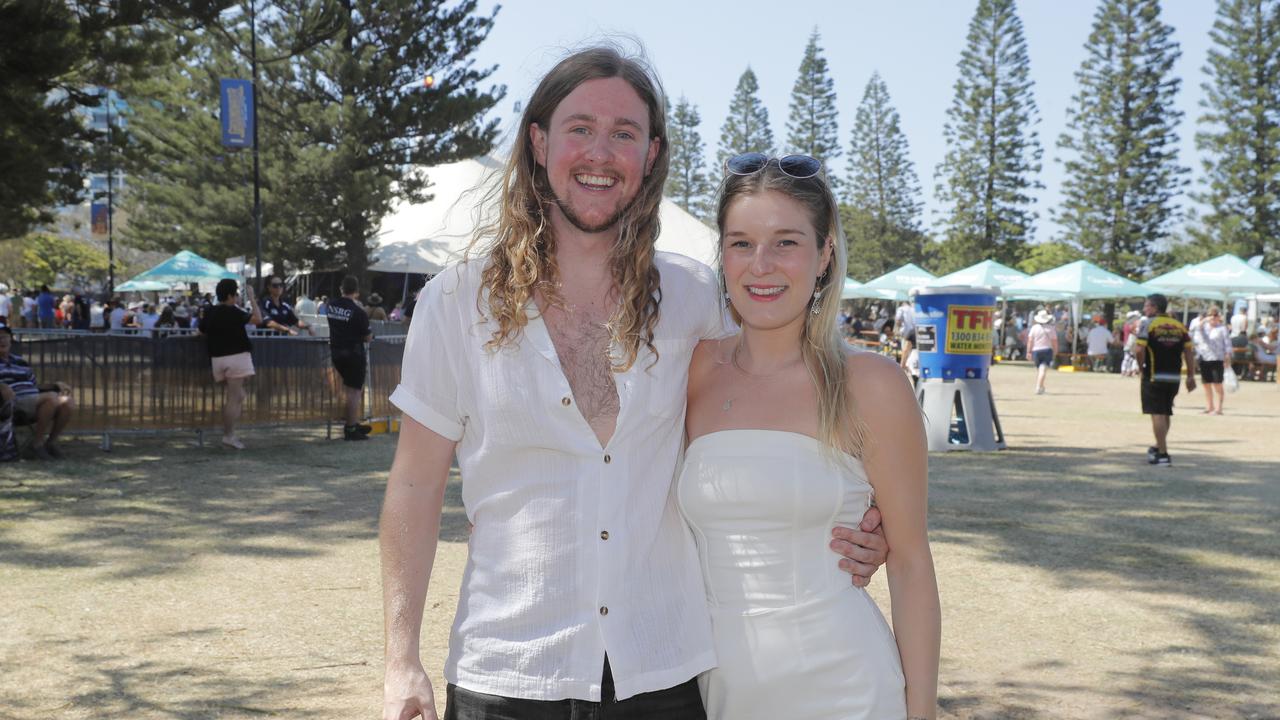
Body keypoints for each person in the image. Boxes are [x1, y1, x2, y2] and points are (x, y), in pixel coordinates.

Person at [379, 46, 887, 720]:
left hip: (663, 675)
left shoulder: (696, 298)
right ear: (538, 143)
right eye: (580, 128)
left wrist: (856, 518)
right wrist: (400, 659)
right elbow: (414, 484)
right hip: (507, 671)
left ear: (651, 156)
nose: (601, 152)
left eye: (624, 134)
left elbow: (777, 402)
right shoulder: (454, 302)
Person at [681, 153, 939, 719]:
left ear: (825, 254)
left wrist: (922, 713)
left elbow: (912, 563)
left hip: (845, 687)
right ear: (721, 256)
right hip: (715, 690)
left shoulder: (871, 385)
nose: (762, 265)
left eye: (787, 242)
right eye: (741, 243)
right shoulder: (690, 371)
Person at [197, 278, 262, 450]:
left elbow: (200, 331)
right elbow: (258, 319)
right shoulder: (234, 311)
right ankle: (229, 435)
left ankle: (229, 434)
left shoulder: (210, 311)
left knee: (239, 396)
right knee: (233, 399)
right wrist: (253, 298)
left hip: (217, 359)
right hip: (237, 357)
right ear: (231, 295)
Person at [1135, 293, 1196, 466]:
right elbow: (1189, 352)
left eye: (1147, 306)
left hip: (1154, 374)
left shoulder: (1148, 324)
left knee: (1157, 413)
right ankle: (1158, 446)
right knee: (1166, 411)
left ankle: (1162, 454)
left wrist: (1141, 367)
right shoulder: (1179, 326)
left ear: (1154, 307)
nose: (1144, 309)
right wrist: (1191, 375)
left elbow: (1139, 349)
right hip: (1174, 376)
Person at [0, 326, 76, 460]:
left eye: (5, 336)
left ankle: (50, 443)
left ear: (11, 340)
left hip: (34, 399)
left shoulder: (21, 362)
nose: (2, 340)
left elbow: (34, 386)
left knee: (67, 401)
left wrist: (55, 385)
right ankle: (36, 444)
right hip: (12, 403)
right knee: (51, 398)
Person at [325, 275, 373, 441]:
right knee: (354, 392)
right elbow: (368, 337)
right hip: (354, 354)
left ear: (341, 289)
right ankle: (351, 428)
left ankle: (353, 422)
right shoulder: (359, 312)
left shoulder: (330, 305)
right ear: (357, 292)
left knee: (350, 390)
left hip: (336, 353)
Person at [1193, 306, 1230, 414]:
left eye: (1215, 315)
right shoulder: (1204, 327)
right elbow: (1196, 329)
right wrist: (1204, 320)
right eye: (1211, 315)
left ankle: (1219, 408)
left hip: (1217, 358)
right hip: (1204, 357)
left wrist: (1227, 356)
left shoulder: (1222, 328)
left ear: (1219, 317)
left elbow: (1227, 343)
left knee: (1217, 383)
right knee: (1206, 383)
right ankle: (1210, 406)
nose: (1213, 318)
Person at [1027, 309, 1058, 394]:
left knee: (1040, 369)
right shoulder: (1051, 329)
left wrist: (1028, 351)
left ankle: (1040, 386)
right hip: (1047, 350)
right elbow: (1054, 341)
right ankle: (1039, 386)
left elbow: (1030, 341)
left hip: (1036, 350)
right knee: (1043, 369)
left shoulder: (1034, 328)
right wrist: (1055, 351)